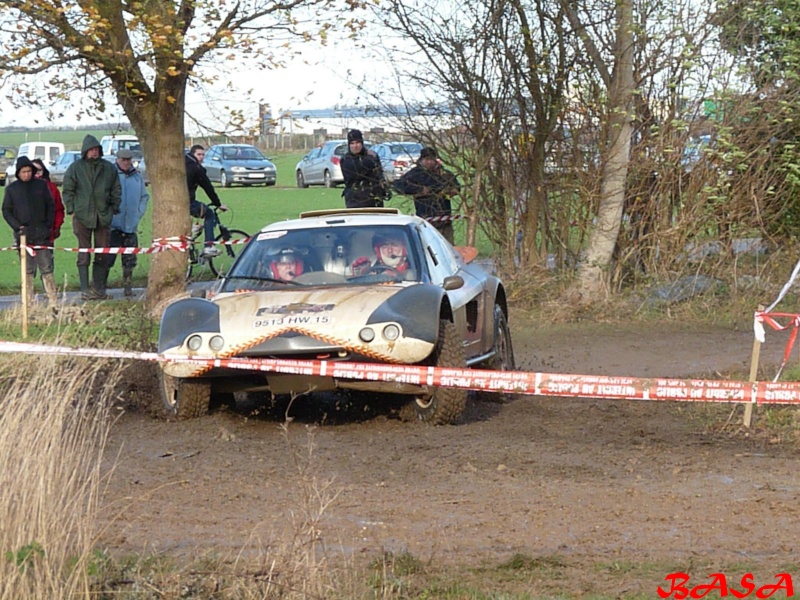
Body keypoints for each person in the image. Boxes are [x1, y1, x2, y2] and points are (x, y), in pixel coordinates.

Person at [62, 134, 122, 300]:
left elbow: (116, 189)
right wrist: (72, 210)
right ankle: (84, 289)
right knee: (84, 253)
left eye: (96, 149)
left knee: (102, 252)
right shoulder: (75, 168)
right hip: (82, 216)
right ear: (85, 151)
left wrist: (113, 208)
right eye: (91, 150)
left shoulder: (108, 168)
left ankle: (99, 289)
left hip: (103, 216)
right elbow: (68, 190)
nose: (94, 152)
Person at [2, 156, 57, 307]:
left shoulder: (41, 186)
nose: (26, 174)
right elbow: (6, 210)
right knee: (27, 271)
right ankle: (28, 303)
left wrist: (48, 226)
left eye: (28, 171)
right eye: (23, 172)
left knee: (47, 269)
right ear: (18, 172)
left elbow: (51, 206)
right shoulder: (12, 190)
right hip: (23, 236)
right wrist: (17, 227)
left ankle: (53, 301)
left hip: (42, 235)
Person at [393, 147, 460, 244]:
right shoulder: (415, 174)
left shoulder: (444, 173)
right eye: (427, 159)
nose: (430, 162)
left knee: (448, 247)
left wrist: (454, 190)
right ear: (422, 160)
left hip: (445, 219)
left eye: (432, 159)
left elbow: (456, 186)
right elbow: (398, 186)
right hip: (425, 220)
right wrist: (419, 190)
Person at [109, 149, 149, 297]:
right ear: (117, 159)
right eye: (123, 160)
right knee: (108, 257)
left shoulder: (136, 177)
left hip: (131, 225)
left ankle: (128, 286)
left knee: (130, 259)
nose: (126, 163)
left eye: (128, 160)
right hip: (113, 225)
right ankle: (100, 288)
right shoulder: (111, 176)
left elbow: (144, 197)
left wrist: (138, 213)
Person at [185, 145, 228, 257]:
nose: (201, 157)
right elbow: (208, 187)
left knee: (199, 212)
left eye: (203, 155)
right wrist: (218, 204)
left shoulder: (183, 163)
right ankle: (209, 247)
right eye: (199, 154)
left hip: (179, 201)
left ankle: (192, 230)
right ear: (192, 154)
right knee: (209, 214)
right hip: (187, 202)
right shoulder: (196, 168)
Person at [340, 129, 389, 208]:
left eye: (357, 142)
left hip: (374, 199)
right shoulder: (346, 159)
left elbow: (378, 174)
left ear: (362, 143)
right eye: (352, 143)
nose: (355, 146)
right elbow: (359, 171)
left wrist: (384, 188)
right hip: (355, 200)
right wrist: (370, 159)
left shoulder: (372, 155)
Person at [31, 158, 65, 248]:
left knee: (46, 261)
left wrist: (57, 226)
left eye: (39, 170)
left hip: (47, 232)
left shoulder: (52, 188)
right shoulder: (21, 188)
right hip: (28, 233)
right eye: (33, 170)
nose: (37, 173)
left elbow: (58, 209)